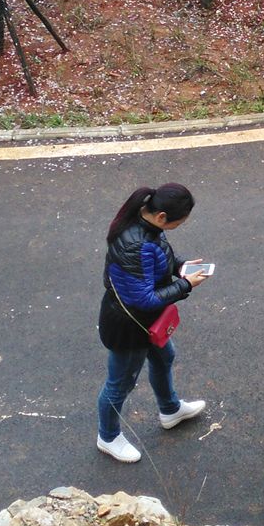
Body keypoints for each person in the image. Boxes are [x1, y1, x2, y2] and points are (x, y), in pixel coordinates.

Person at [96, 183, 210, 463]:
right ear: (161, 217)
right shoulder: (136, 244)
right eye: (178, 222)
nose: (179, 226)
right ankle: (107, 437)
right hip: (130, 326)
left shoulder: (145, 226)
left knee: (164, 356)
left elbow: (157, 260)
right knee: (119, 383)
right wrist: (185, 284)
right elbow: (143, 299)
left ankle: (170, 409)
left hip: (146, 321)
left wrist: (180, 266)